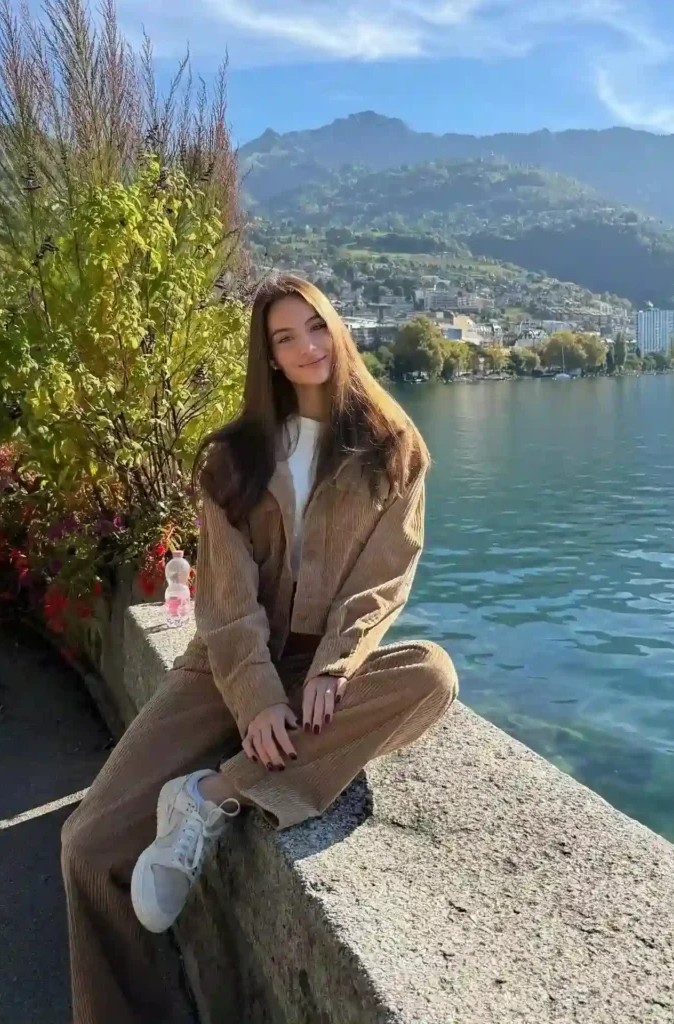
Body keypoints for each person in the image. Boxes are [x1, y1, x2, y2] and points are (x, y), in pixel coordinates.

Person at [61, 273, 458, 1024]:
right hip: (228, 666)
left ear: (338, 329)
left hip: (322, 665)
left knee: (432, 674)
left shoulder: (394, 449)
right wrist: (258, 696)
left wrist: (336, 666)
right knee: (86, 846)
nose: (308, 346)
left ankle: (214, 796)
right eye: (285, 336)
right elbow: (226, 599)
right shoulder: (233, 458)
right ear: (269, 357)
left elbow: (382, 583)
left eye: (316, 326)